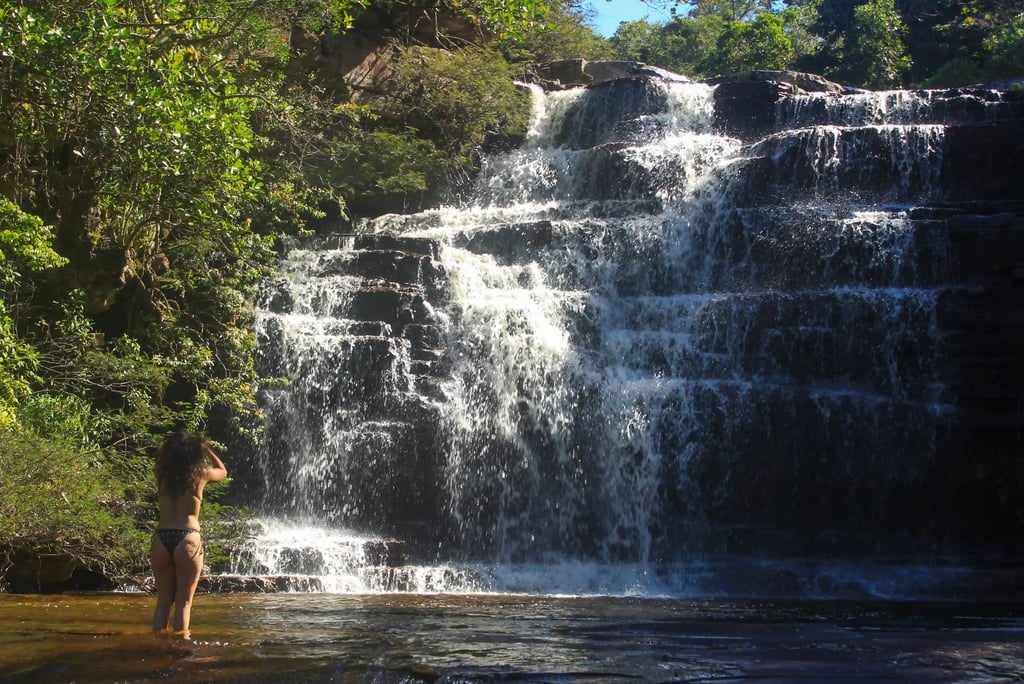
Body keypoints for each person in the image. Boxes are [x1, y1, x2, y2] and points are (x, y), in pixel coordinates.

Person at [150, 432, 228, 639]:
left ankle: (156, 647)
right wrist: (207, 449)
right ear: (194, 454)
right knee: (184, 602)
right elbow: (222, 471)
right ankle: (181, 650)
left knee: (164, 600)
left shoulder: (162, 474)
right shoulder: (200, 474)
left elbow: (162, 459)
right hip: (188, 537)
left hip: (162, 537)